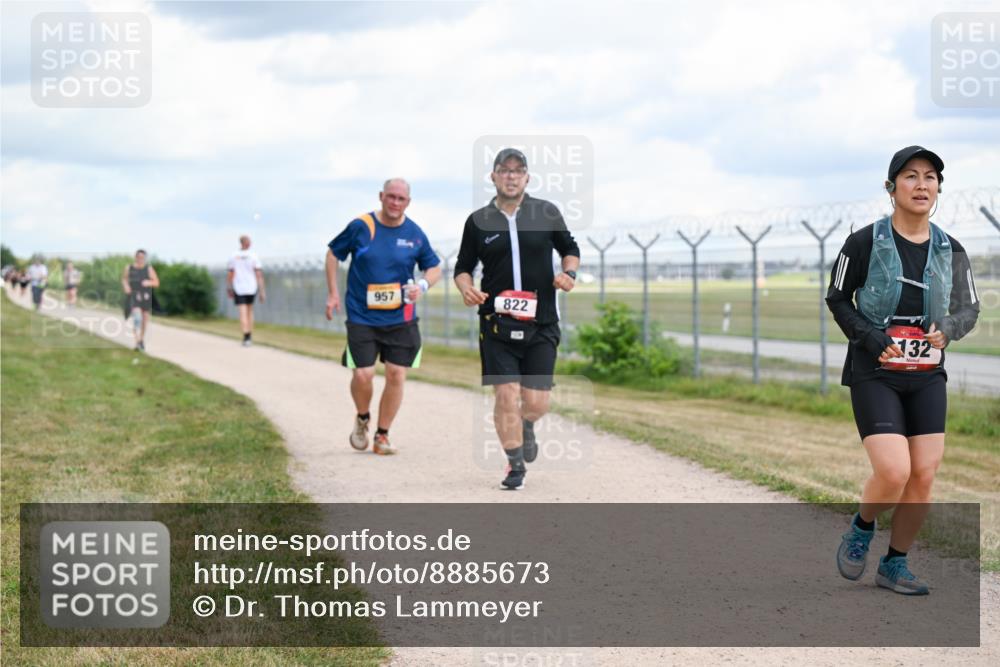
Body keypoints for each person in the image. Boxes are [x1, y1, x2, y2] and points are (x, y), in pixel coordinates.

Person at [827, 146, 979, 595]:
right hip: (875, 370)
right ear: (892, 188)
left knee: (924, 474)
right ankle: (861, 525)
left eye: (930, 177)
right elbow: (837, 298)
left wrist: (948, 328)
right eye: (910, 177)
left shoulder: (951, 249)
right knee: (894, 472)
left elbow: (970, 308)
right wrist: (872, 338)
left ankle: (895, 565)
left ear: (938, 189)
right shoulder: (863, 243)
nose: (921, 185)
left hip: (927, 374)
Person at [454, 148, 581, 490]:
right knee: (506, 394)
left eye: (517, 170)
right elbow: (463, 268)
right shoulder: (478, 221)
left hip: (541, 322)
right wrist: (466, 289)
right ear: (493, 177)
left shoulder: (546, 212)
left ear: (527, 177)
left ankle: (527, 425)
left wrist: (568, 273)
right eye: (504, 170)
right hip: (497, 322)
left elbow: (570, 248)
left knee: (536, 403)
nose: (511, 176)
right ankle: (514, 466)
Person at [324, 178, 442, 455]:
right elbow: (332, 254)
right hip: (362, 315)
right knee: (364, 374)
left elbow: (433, 268)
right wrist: (332, 293)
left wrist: (422, 285)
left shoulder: (414, 233)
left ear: (408, 202)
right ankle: (363, 417)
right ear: (381, 196)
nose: (395, 203)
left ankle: (382, 435)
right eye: (391, 197)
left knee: (396, 374)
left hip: (401, 317)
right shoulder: (361, 226)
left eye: (401, 199)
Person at [226, 235, 266, 347]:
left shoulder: (234, 256)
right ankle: (249, 336)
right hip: (249, 287)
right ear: (245, 242)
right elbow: (259, 274)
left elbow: (230, 273)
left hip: (240, 288)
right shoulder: (253, 256)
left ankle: (246, 336)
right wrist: (262, 290)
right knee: (248, 312)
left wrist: (229, 287)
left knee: (244, 312)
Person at [121, 249, 160, 352]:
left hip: (146, 297)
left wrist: (149, 282)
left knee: (144, 320)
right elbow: (124, 279)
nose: (140, 259)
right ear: (135, 257)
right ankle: (137, 341)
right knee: (137, 318)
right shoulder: (129, 268)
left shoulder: (149, 269)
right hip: (134, 295)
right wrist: (126, 286)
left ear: (145, 258)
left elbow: (156, 282)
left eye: (142, 258)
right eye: (138, 257)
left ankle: (141, 340)